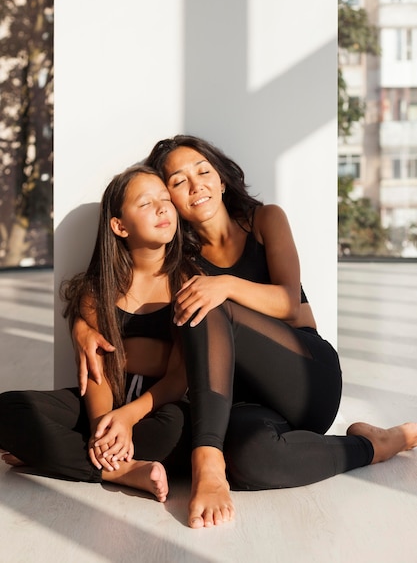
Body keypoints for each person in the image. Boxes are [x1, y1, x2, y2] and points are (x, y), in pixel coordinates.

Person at [73, 135, 417, 529]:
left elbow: (290, 303)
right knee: (254, 461)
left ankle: (207, 460)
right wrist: (80, 328)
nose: (196, 184)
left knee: (210, 303)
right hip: (242, 401)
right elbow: (162, 343)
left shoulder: (264, 221)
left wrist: (226, 286)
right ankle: (373, 445)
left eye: (203, 172)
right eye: (179, 182)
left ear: (222, 180)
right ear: (170, 201)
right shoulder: (180, 262)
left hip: (307, 377)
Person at [0, 164, 197, 502]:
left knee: (174, 432)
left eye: (165, 198)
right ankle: (118, 469)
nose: (163, 207)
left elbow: (178, 379)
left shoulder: (188, 282)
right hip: (106, 400)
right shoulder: (99, 290)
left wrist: (127, 417)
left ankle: (55, 453)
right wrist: (101, 426)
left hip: (158, 406)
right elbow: (96, 371)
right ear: (119, 226)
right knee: (7, 409)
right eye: (146, 203)